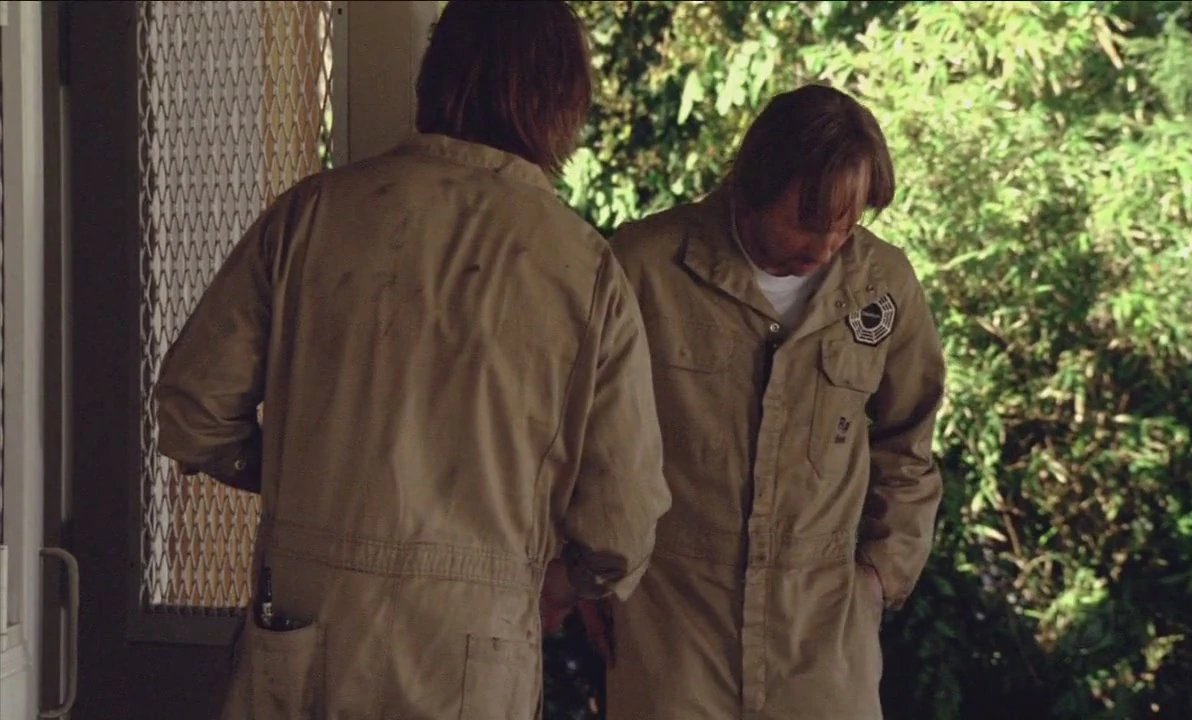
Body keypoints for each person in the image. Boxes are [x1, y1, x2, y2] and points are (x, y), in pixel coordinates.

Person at [153, 2, 670, 718]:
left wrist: (306, 475)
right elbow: (621, 524)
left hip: (305, 627)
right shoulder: (584, 270)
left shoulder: (313, 216)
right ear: (563, 101)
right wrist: (564, 583)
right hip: (474, 647)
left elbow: (193, 414)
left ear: (435, 76)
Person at [583, 84, 947, 719]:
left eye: (846, 226)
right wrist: (588, 572)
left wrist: (880, 575)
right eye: (807, 222)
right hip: (671, 633)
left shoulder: (883, 285)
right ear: (754, 184)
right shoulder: (644, 266)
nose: (825, 247)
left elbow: (910, 441)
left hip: (825, 642)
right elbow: (582, 434)